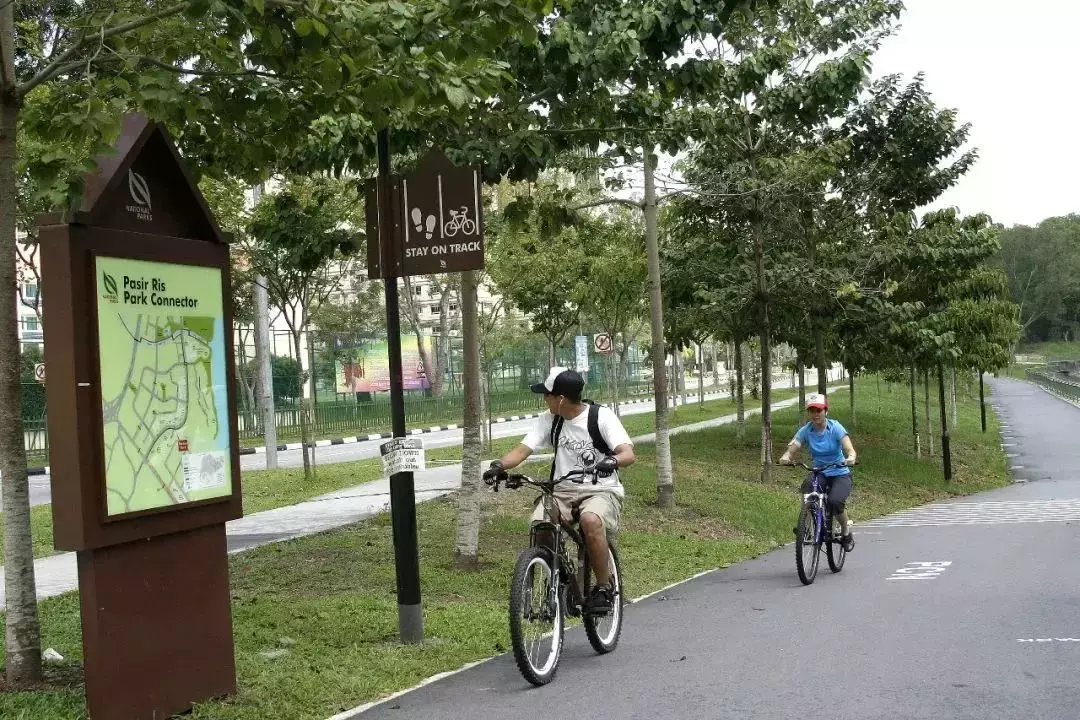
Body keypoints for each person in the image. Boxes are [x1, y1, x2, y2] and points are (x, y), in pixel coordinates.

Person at [483, 367, 635, 613]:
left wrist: (612, 461)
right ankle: (559, 580)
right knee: (541, 525)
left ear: (561, 398)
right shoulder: (549, 419)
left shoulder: (601, 417)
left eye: (547, 395)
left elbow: (628, 453)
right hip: (562, 490)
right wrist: (499, 466)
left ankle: (604, 588)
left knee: (590, 520)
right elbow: (523, 449)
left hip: (600, 489)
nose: (544, 399)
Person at [778, 392, 858, 551]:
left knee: (835, 501)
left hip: (839, 472)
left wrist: (850, 457)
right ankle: (805, 527)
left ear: (825, 411)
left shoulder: (835, 427)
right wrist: (786, 456)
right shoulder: (806, 430)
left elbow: (850, 449)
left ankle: (846, 532)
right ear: (808, 413)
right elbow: (794, 446)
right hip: (819, 472)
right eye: (812, 411)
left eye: (819, 410)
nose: (815, 414)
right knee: (808, 487)